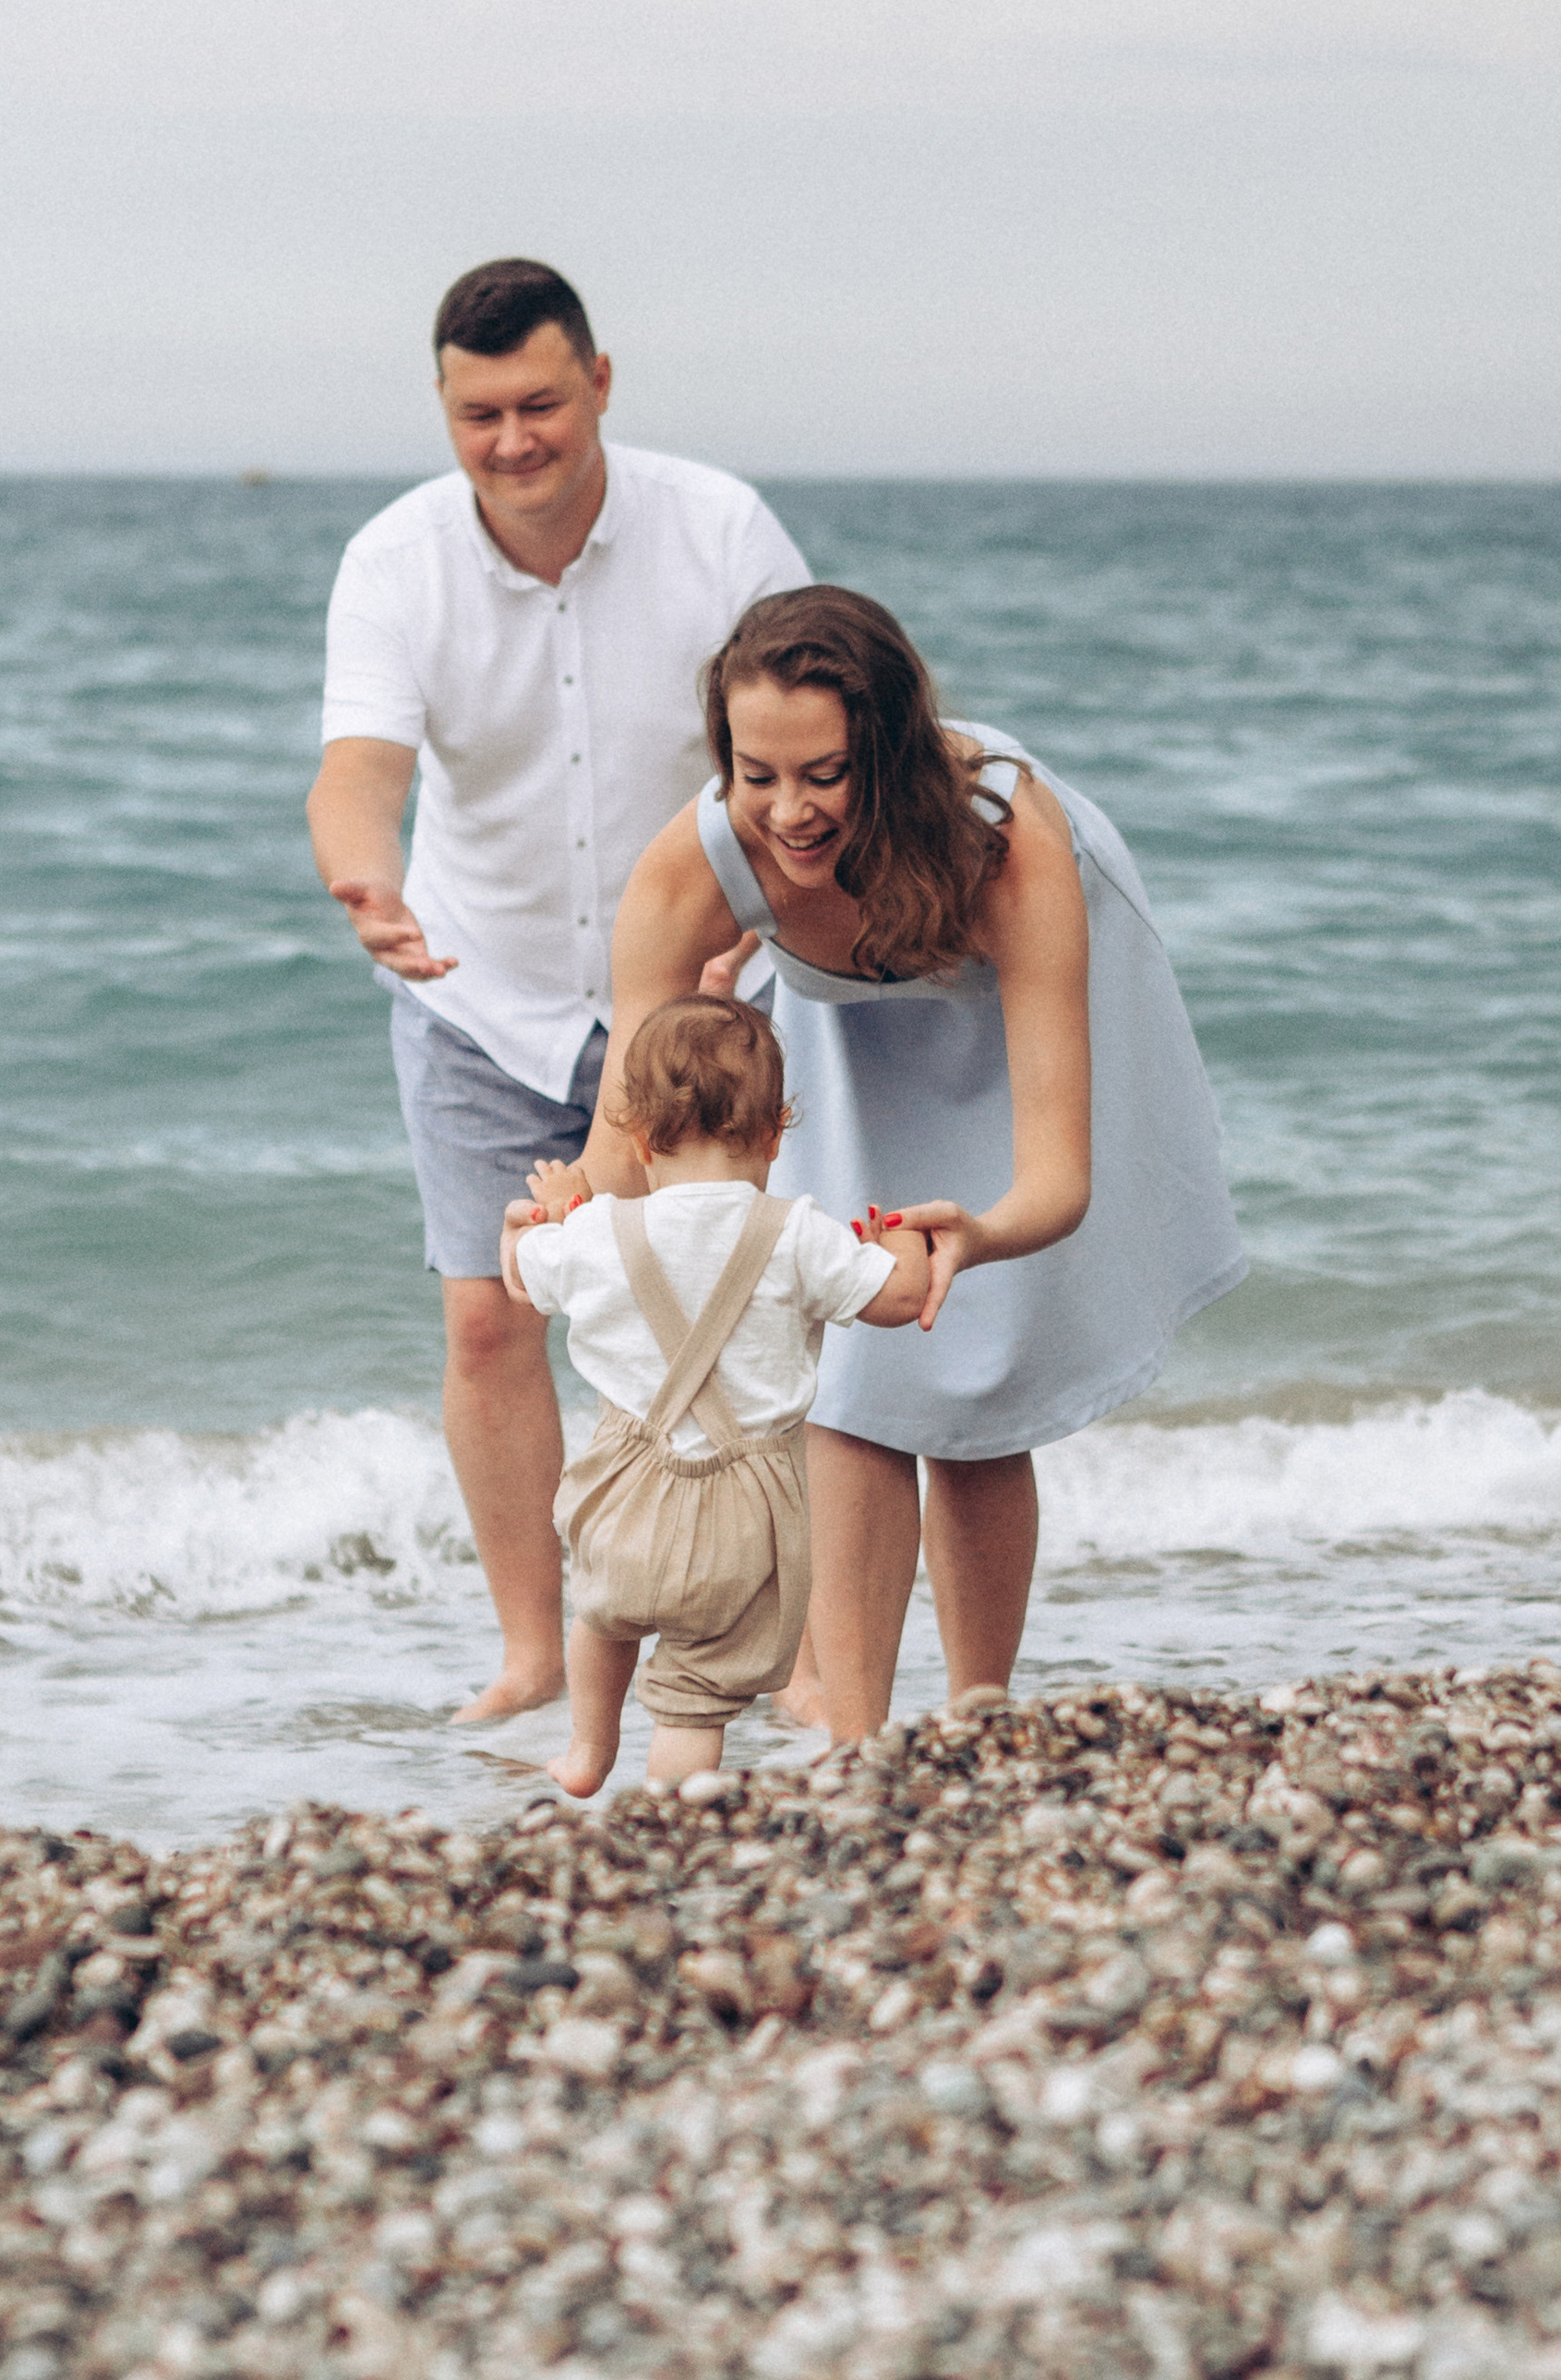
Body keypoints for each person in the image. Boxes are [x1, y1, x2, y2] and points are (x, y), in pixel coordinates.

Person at [547, 584, 1245, 1740]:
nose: (787, 812)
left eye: (823, 772)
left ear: (887, 749)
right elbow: (627, 1136)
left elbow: (1055, 1181)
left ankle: (978, 1714)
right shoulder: (698, 864)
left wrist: (980, 1238)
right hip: (847, 1016)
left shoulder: (1005, 836)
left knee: (978, 1375)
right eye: (754, 772)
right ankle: (853, 1738)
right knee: (853, 1385)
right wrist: (566, 1233)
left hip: (1037, 969)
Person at [305, 258, 809, 1723]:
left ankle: (783, 1654)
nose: (512, 440)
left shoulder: (717, 527)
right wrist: (366, 882)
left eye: (538, 403)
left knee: (747, 1307)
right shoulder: (394, 561)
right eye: (478, 416)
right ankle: (538, 1652)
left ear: (599, 379)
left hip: (715, 984)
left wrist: (772, 915)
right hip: (487, 989)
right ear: (445, 412)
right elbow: (361, 769)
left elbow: (804, 734)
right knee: (489, 1316)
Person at [500, 992, 929, 1794]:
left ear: (637, 1139)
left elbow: (520, 1272)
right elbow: (901, 1300)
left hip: (623, 1493)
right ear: (773, 1133)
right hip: (748, 1514)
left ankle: (589, 1751)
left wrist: (545, 1214)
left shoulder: (597, 1233)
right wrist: (897, 1240)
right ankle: (671, 1812)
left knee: (603, 1612)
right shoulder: (799, 1234)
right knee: (696, 1699)